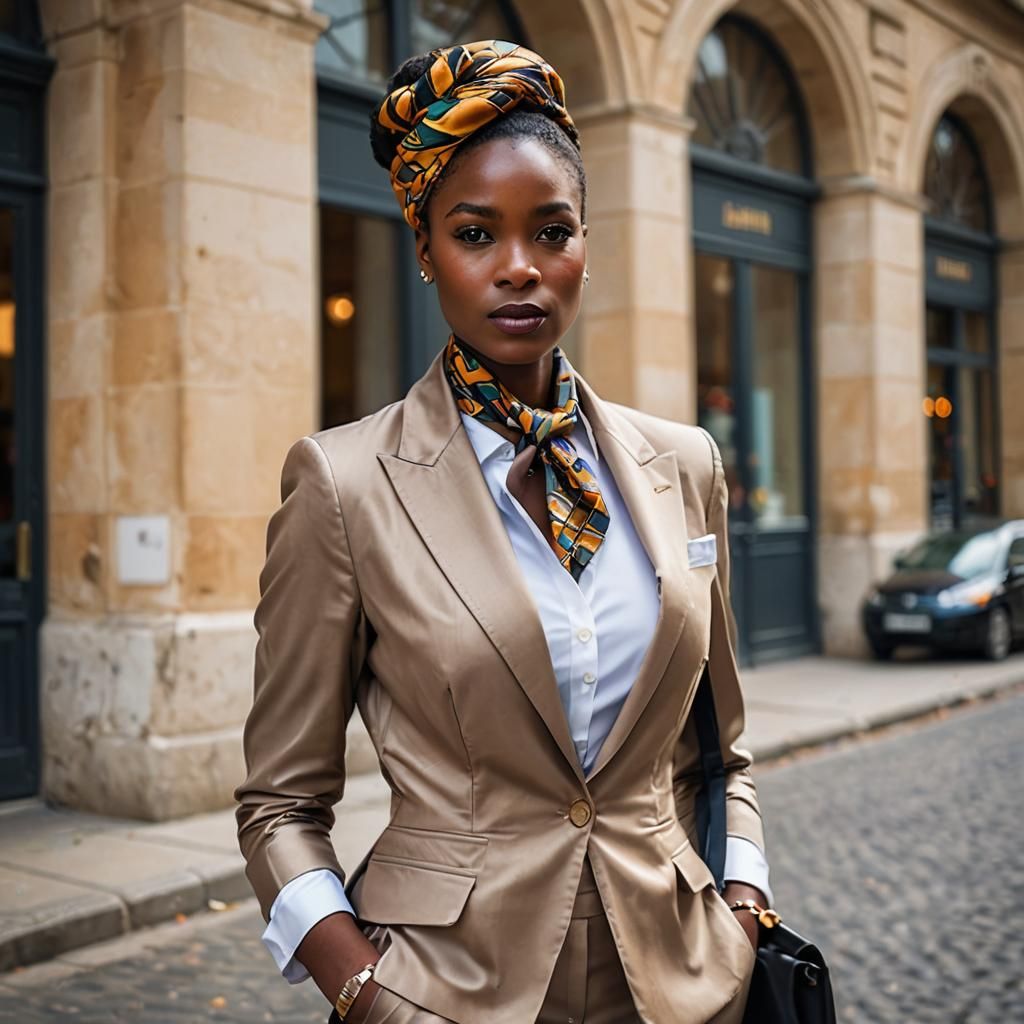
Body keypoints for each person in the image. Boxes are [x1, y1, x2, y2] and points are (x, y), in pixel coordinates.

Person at [234, 39, 772, 1024]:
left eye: (551, 231)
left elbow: (720, 748)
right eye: (476, 233)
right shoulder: (344, 486)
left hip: (681, 984)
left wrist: (740, 905)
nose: (519, 268)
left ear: (583, 246)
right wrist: (362, 989)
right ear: (425, 248)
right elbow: (278, 806)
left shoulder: (684, 464)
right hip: (449, 990)